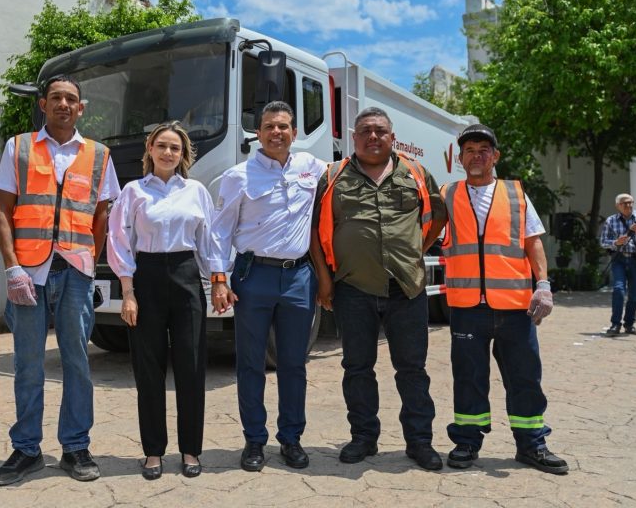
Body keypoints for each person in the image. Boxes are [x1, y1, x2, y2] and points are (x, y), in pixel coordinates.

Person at [0, 74, 120, 486]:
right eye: (57, 98)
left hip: (75, 274)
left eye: (72, 99)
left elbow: (102, 215)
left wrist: (90, 261)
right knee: (28, 364)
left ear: (81, 109)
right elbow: (2, 211)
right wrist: (12, 267)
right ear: (43, 104)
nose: (64, 104)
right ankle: (27, 450)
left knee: (77, 362)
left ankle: (76, 446)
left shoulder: (99, 154)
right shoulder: (20, 147)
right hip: (28, 274)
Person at [310, 106, 447, 471]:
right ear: (354, 138)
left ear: (393, 137)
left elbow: (437, 216)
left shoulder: (416, 173)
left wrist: (415, 249)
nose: (373, 136)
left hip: (407, 286)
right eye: (365, 131)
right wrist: (324, 279)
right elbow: (313, 230)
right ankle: (363, 438)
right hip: (353, 287)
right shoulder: (333, 176)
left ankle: (419, 442)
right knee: (357, 367)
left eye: (380, 131)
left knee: (412, 370)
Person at [441, 124, 568, 474]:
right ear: (460, 158)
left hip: (515, 306)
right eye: (469, 150)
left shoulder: (515, 194)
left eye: (484, 149)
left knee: (524, 377)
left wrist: (542, 284)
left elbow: (533, 241)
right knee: (468, 377)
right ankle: (467, 442)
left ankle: (531, 445)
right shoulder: (446, 195)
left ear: (495, 156)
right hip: (467, 307)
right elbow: (419, 234)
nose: (476, 155)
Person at [210, 100, 326, 472]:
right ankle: (254, 441)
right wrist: (218, 279)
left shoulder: (314, 169)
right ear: (257, 133)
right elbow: (220, 231)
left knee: (294, 364)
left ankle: (291, 439)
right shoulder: (238, 176)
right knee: (250, 363)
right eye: (270, 126)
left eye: (285, 126)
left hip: (298, 278)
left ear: (295, 132)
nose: (278, 132)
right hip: (253, 277)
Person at [107, 122, 213, 480]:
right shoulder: (134, 191)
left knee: (191, 366)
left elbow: (208, 242)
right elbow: (119, 241)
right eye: (162, 146)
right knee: (148, 369)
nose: (169, 153)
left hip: (186, 277)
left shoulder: (196, 191)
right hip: (146, 278)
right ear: (150, 149)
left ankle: (190, 451)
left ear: (183, 155)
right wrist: (128, 292)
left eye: (176, 148)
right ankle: (153, 452)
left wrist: (219, 281)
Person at [600, 193, 636, 335]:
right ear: (617, 205)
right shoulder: (610, 221)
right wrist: (615, 243)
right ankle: (615, 324)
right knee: (618, 290)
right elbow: (602, 242)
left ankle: (629, 324)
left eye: (631, 202)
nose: (629, 205)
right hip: (619, 259)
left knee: (634, 295)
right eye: (625, 203)